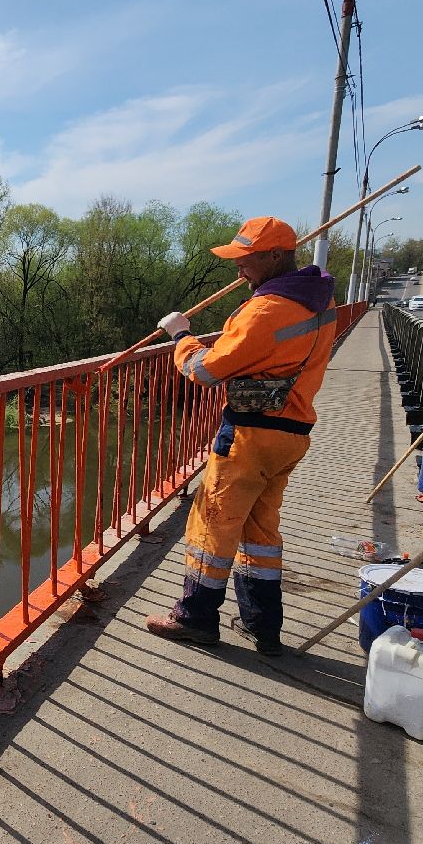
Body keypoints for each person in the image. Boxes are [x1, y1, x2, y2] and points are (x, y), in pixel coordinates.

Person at [144, 216, 336, 656]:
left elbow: (206, 371)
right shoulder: (320, 302)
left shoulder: (267, 310)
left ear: (274, 256)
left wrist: (182, 336)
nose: (239, 271)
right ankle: (264, 627)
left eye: (246, 261)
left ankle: (194, 618)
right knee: (259, 531)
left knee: (214, 522)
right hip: (293, 432)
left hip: (252, 435)